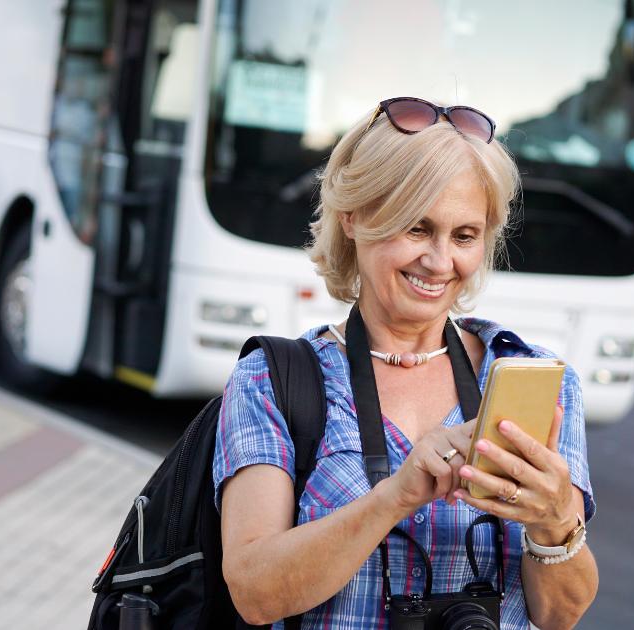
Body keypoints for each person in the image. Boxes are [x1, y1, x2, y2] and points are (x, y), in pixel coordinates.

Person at [212, 97, 598, 630]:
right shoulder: (274, 380)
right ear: (353, 217)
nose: (441, 262)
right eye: (416, 229)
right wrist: (396, 496)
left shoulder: (535, 380)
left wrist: (555, 523)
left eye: (465, 236)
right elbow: (255, 593)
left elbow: (560, 613)